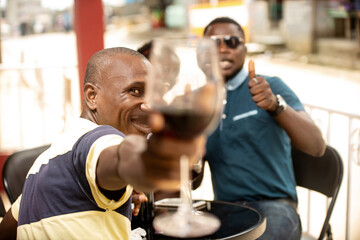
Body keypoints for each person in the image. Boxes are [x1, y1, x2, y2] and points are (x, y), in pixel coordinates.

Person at [0, 47, 205, 240]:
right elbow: (122, 155)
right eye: (135, 91)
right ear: (92, 97)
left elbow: (7, 230)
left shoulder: (46, 162)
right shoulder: (99, 138)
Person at [202, 17, 326, 240]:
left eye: (231, 41)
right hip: (225, 210)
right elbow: (193, 180)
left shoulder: (270, 87)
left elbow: (317, 146)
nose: (222, 49)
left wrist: (275, 105)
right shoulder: (199, 101)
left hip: (273, 207)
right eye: (213, 43)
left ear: (244, 47)